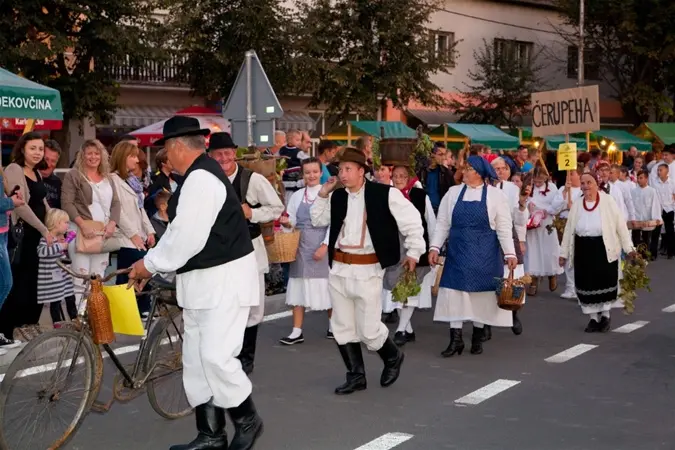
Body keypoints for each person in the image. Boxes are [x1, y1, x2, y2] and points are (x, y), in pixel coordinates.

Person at [129, 116, 263, 450]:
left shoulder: (201, 179)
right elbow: (179, 234)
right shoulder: (195, 177)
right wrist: (151, 263)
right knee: (196, 361)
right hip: (204, 283)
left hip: (224, 282)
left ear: (176, 146)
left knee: (216, 357)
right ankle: (211, 435)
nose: (165, 156)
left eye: (165, 148)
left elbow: (186, 239)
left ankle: (248, 420)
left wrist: (149, 265)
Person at [310, 147, 425, 395]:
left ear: (362, 171)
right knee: (342, 325)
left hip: (368, 269)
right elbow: (317, 220)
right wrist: (323, 193)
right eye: (340, 169)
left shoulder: (385, 194)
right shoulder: (337, 197)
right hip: (339, 268)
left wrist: (414, 252)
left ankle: (392, 356)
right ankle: (356, 376)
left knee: (369, 328)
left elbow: (412, 222)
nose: (343, 174)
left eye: (348, 169)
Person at [207, 132, 284, 374]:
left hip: (250, 251)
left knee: (253, 306)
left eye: (227, 153)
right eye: (218, 154)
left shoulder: (252, 180)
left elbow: (277, 208)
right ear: (210, 156)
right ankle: (227, 353)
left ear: (234, 154)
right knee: (224, 305)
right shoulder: (207, 180)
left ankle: (246, 358)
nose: (223, 158)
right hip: (219, 253)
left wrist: (252, 213)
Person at [430, 156, 517, 357]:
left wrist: (510, 253)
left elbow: (504, 227)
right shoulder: (453, 193)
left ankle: (477, 337)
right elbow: (442, 223)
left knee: (482, 296)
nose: (464, 172)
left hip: (485, 253)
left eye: (469, 169)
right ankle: (456, 339)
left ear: (479, 173)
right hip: (458, 252)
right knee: (453, 294)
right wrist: (434, 247)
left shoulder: (495, 196)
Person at [560, 171, 635, 332]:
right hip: (583, 249)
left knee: (604, 281)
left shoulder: (607, 201)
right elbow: (569, 230)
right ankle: (593, 318)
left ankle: (606, 316)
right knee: (587, 283)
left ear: (596, 183)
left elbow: (620, 226)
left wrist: (629, 248)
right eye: (583, 183)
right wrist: (563, 253)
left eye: (589, 182)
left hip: (603, 248)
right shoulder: (577, 204)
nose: (585, 186)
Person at [0, 132, 52, 346]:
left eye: (40, 149)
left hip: (36, 237)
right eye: (33, 148)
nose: (37, 152)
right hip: (22, 236)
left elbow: (43, 202)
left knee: (30, 284)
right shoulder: (15, 169)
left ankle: (22, 327)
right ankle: (5, 330)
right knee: (13, 285)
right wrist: (44, 229)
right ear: (22, 149)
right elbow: (20, 206)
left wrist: (54, 224)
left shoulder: (36, 172)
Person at [61, 140, 121, 308]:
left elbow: (116, 203)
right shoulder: (74, 175)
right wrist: (82, 224)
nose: (93, 157)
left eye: (97, 153)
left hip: (102, 234)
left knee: (98, 278)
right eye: (89, 153)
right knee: (81, 279)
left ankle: (95, 316)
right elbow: (66, 203)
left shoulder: (108, 177)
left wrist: (112, 224)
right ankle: (81, 317)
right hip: (80, 233)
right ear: (82, 155)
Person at [279, 158, 332, 344]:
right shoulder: (297, 196)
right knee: (298, 287)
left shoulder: (328, 194)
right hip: (300, 246)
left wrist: (325, 246)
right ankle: (296, 331)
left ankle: (334, 326)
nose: (311, 175)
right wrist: (287, 223)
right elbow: (292, 220)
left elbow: (334, 223)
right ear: (302, 174)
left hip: (320, 244)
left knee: (326, 287)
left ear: (321, 173)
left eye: (315, 172)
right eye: (307, 172)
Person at [383, 165, 436, 346]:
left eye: (403, 176)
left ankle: (400, 330)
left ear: (409, 177)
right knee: (397, 288)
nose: (399, 179)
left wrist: (433, 248)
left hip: (416, 247)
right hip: (394, 247)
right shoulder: (387, 194)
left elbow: (431, 223)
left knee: (410, 287)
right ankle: (408, 329)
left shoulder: (420, 196)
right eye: (396, 176)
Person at [109, 141, 156, 316]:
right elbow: (117, 211)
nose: (137, 160)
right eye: (133, 156)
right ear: (123, 157)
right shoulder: (112, 180)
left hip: (138, 234)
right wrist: (133, 234)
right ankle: (130, 311)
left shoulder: (132, 180)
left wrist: (150, 231)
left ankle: (139, 309)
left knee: (137, 270)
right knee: (131, 272)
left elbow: (140, 208)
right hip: (125, 235)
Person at [525, 167, 563, 295]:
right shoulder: (529, 186)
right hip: (533, 222)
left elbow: (557, 204)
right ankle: (533, 279)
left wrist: (548, 210)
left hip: (546, 222)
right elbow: (524, 199)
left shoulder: (552, 187)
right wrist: (528, 206)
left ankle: (552, 274)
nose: (537, 183)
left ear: (545, 178)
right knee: (533, 250)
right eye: (535, 181)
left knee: (549, 249)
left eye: (540, 181)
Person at [37, 209, 77, 326]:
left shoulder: (60, 239)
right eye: (66, 222)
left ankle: (75, 320)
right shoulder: (46, 239)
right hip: (53, 279)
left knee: (70, 297)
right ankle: (57, 324)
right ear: (56, 223)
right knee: (55, 302)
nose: (68, 225)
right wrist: (60, 246)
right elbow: (41, 252)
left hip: (63, 276)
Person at [551, 165, 584, 299]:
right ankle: (570, 287)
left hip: (578, 226)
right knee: (566, 256)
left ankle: (580, 287)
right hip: (563, 225)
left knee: (577, 257)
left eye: (572, 174)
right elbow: (554, 207)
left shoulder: (583, 190)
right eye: (568, 174)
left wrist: (573, 208)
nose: (568, 177)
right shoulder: (562, 189)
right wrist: (565, 192)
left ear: (579, 175)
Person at [630, 169, 662, 259]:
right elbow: (630, 205)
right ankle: (637, 256)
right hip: (636, 219)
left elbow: (655, 204)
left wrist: (656, 218)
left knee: (646, 239)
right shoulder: (633, 191)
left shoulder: (652, 191)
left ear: (646, 179)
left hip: (647, 219)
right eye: (638, 178)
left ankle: (644, 257)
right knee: (635, 238)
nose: (639, 180)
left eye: (641, 178)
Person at [653, 163, 675, 259]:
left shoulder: (672, 182)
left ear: (667, 171)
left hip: (669, 209)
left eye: (661, 170)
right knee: (655, 232)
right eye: (658, 170)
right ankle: (653, 254)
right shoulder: (654, 183)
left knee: (670, 231)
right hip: (658, 209)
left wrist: (673, 206)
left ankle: (671, 252)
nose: (659, 172)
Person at [40, 139, 63, 209]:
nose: (49, 164)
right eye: (46, 159)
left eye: (53, 161)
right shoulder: (30, 178)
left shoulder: (58, 183)